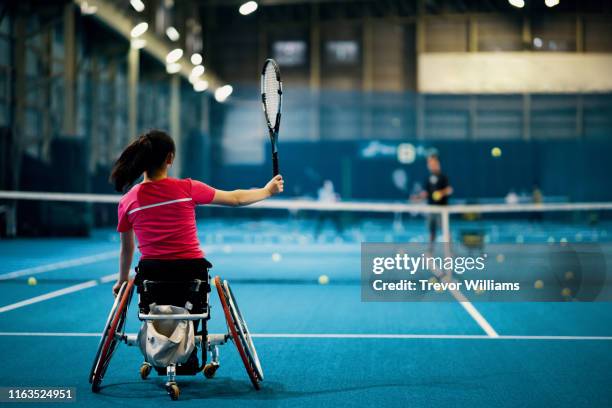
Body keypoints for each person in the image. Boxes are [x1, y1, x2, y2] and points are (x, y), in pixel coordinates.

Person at [109, 129, 284, 297]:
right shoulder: (188, 188)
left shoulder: (127, 201)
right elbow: (236, 199)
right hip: (192, 273)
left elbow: (127, 248)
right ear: (170, 158)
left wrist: (122, 280)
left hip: (152, 276)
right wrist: (267, 191)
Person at [412, 152, 453, 243]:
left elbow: (449, 190)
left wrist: (440, 193)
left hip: (442, 210)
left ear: (437, 163)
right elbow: (425, 193)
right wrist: (417, 197)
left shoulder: (443, 177)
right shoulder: (428, 178)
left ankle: (449, 251)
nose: (431, 165)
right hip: (431, 210)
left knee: (446, 232)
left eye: (433, 162)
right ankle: (430, 251)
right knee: (431, 233)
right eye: (429, 163)